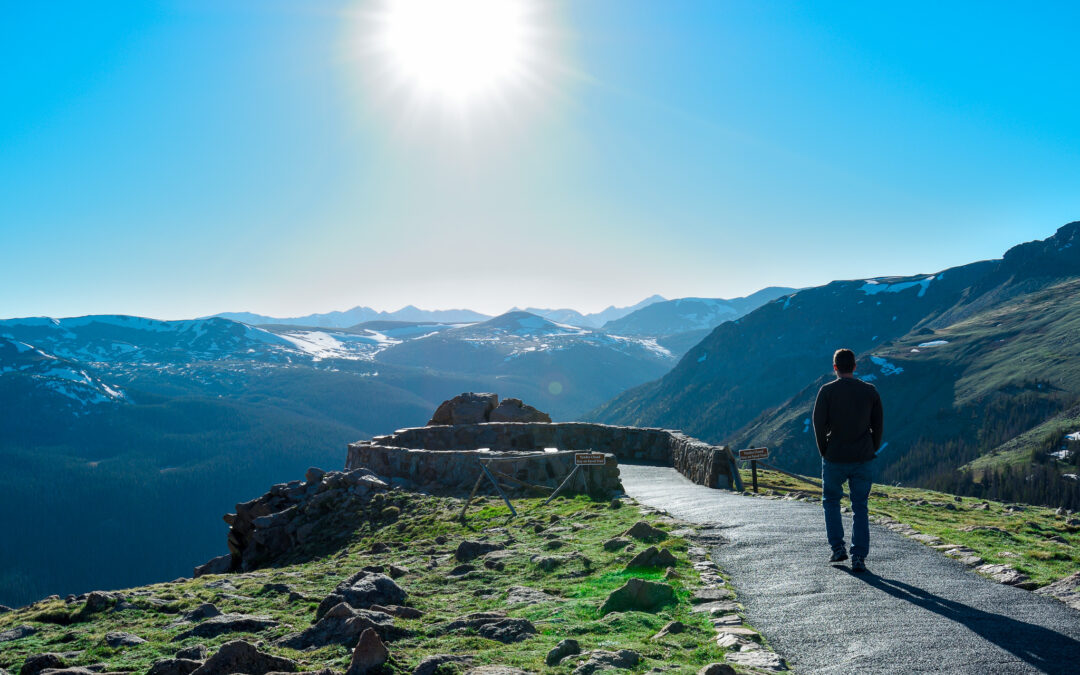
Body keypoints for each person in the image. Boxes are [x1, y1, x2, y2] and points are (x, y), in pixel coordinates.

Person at [812, 348, 883, 573]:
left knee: (831, 501)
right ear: (854, 366)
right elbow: (878, 424)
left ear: (835, 368)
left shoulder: (826, 391)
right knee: (860, 505)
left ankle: (837, 548)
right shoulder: (869, 391)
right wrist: (872, 447)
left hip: (835, 456)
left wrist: (825, 450)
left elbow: (818, 424)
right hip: (863, 456)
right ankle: (859, 556)